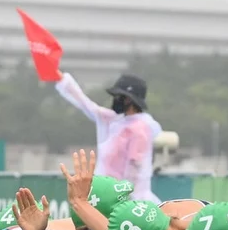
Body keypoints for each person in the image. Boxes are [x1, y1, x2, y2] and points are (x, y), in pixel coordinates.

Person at [56, 73, 161, 202]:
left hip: (130, 204)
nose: (114, 100)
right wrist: (61, 79)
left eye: (117, 97)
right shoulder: (114, 121)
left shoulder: (139, 129)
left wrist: (124, 198)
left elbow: (135, 169)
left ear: (128, 99)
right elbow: (88, 106)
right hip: (107, 197)